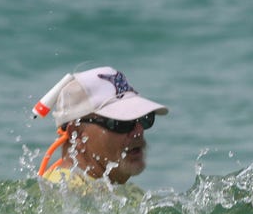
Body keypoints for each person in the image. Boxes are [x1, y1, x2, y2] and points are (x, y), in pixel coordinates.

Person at [33, 66, 168, 186]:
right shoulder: (70, 194)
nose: (138, 130)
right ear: (77, 134)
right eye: (122, 123)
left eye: (144, 119)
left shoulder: (96, 192)